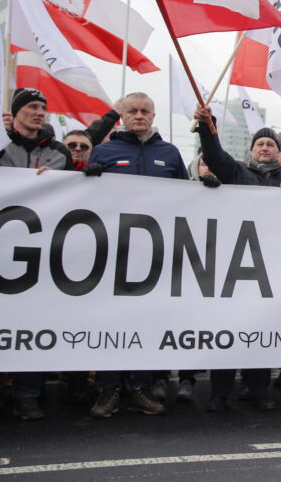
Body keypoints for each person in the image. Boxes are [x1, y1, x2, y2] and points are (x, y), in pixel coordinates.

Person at [0, 88, 72, 423]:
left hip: (38, 255)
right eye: (33, 106)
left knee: (30, 329)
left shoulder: (58, 151)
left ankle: (27, 396)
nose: (39, 112)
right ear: (16, 111)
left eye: (43, 107)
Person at [86, 93, 186, 419]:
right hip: (112, 254)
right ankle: (110, 388)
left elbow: (189, 200)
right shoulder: (104, 151)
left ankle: (141, 386)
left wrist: (208, 188)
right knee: (110, 322)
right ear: (122, 115)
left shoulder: (170, 153)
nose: (139, 116)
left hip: (155, 256)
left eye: (145, 111)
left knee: (147, 320)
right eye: (133, 111)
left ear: (153, 115)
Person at [195, 108, 281, 410]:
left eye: (270, 145)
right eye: (260, 145)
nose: (265, 149)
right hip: (234, 266)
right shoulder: (239, 172)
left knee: (262, 330)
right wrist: (206, 126)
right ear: (251, 150)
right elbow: (214, 157)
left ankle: (260, 390)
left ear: (278, 153)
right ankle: (220, 391)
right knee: (227, 330)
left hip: (270, 270)